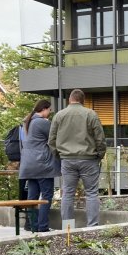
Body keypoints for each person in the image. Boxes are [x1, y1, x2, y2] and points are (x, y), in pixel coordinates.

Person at [48, 89, 107, 227]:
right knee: (92, 193)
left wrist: (59, 155)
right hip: (88, 158)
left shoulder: (59, 115)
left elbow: (51, 140)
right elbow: (100, 138)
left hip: (67, 159)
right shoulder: (91, 114)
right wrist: (100, 155)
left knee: (68, 193)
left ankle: (68, 227)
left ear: (70, 99)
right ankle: (92, 226)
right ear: (82, 100)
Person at [19, 100, 60, 232]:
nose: (49, 113)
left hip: (29, 164)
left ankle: (33, 226)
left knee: (32, 197)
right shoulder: (41, 122)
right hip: (42, 165)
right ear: (44, 109)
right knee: (46, 196)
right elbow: (55, 137)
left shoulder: (28, 121)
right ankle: (42, 226)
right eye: (49, 110)